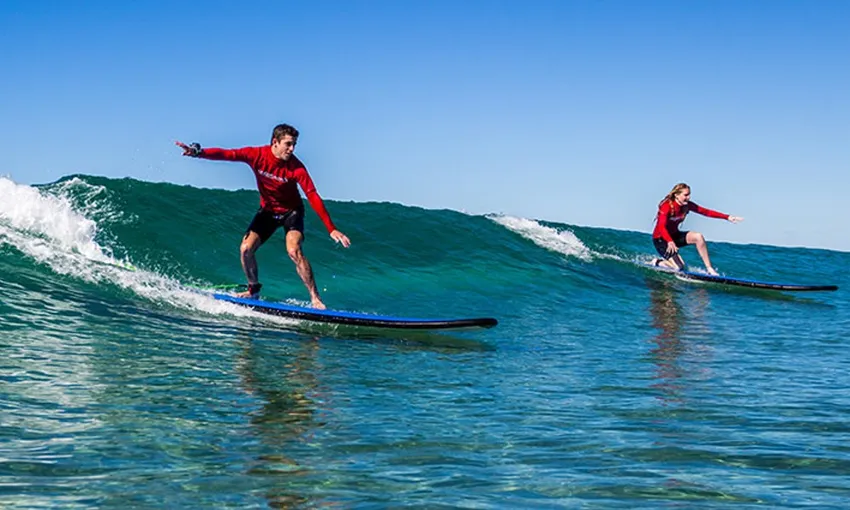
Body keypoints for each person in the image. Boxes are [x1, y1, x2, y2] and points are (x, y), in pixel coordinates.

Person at [176, 123, 350, 308]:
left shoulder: (296, 167)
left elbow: (312, 194)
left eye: (294, 145)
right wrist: (198, 152)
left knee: (294, 250)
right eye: (288, 144)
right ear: (275, 142)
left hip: (292, 212)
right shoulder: (256, 155)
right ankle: (253, 290)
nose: (292, 149)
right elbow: (228, 154)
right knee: (245, 249)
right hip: (268, 211)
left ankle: (315, 298)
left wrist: (331, 228)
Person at [652, 183, 742, 276]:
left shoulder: (687, 205)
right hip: (661, 239)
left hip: (674, 236)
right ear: (676, 195)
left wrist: (727, 217)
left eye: (689, 194)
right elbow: (661, 226)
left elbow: (706, 212)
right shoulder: (666, 206)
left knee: (698, 237)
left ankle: (709, 269)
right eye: (685, 195)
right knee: (679, 268)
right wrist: (669, 241)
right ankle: (658, 262)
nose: (688, 197)